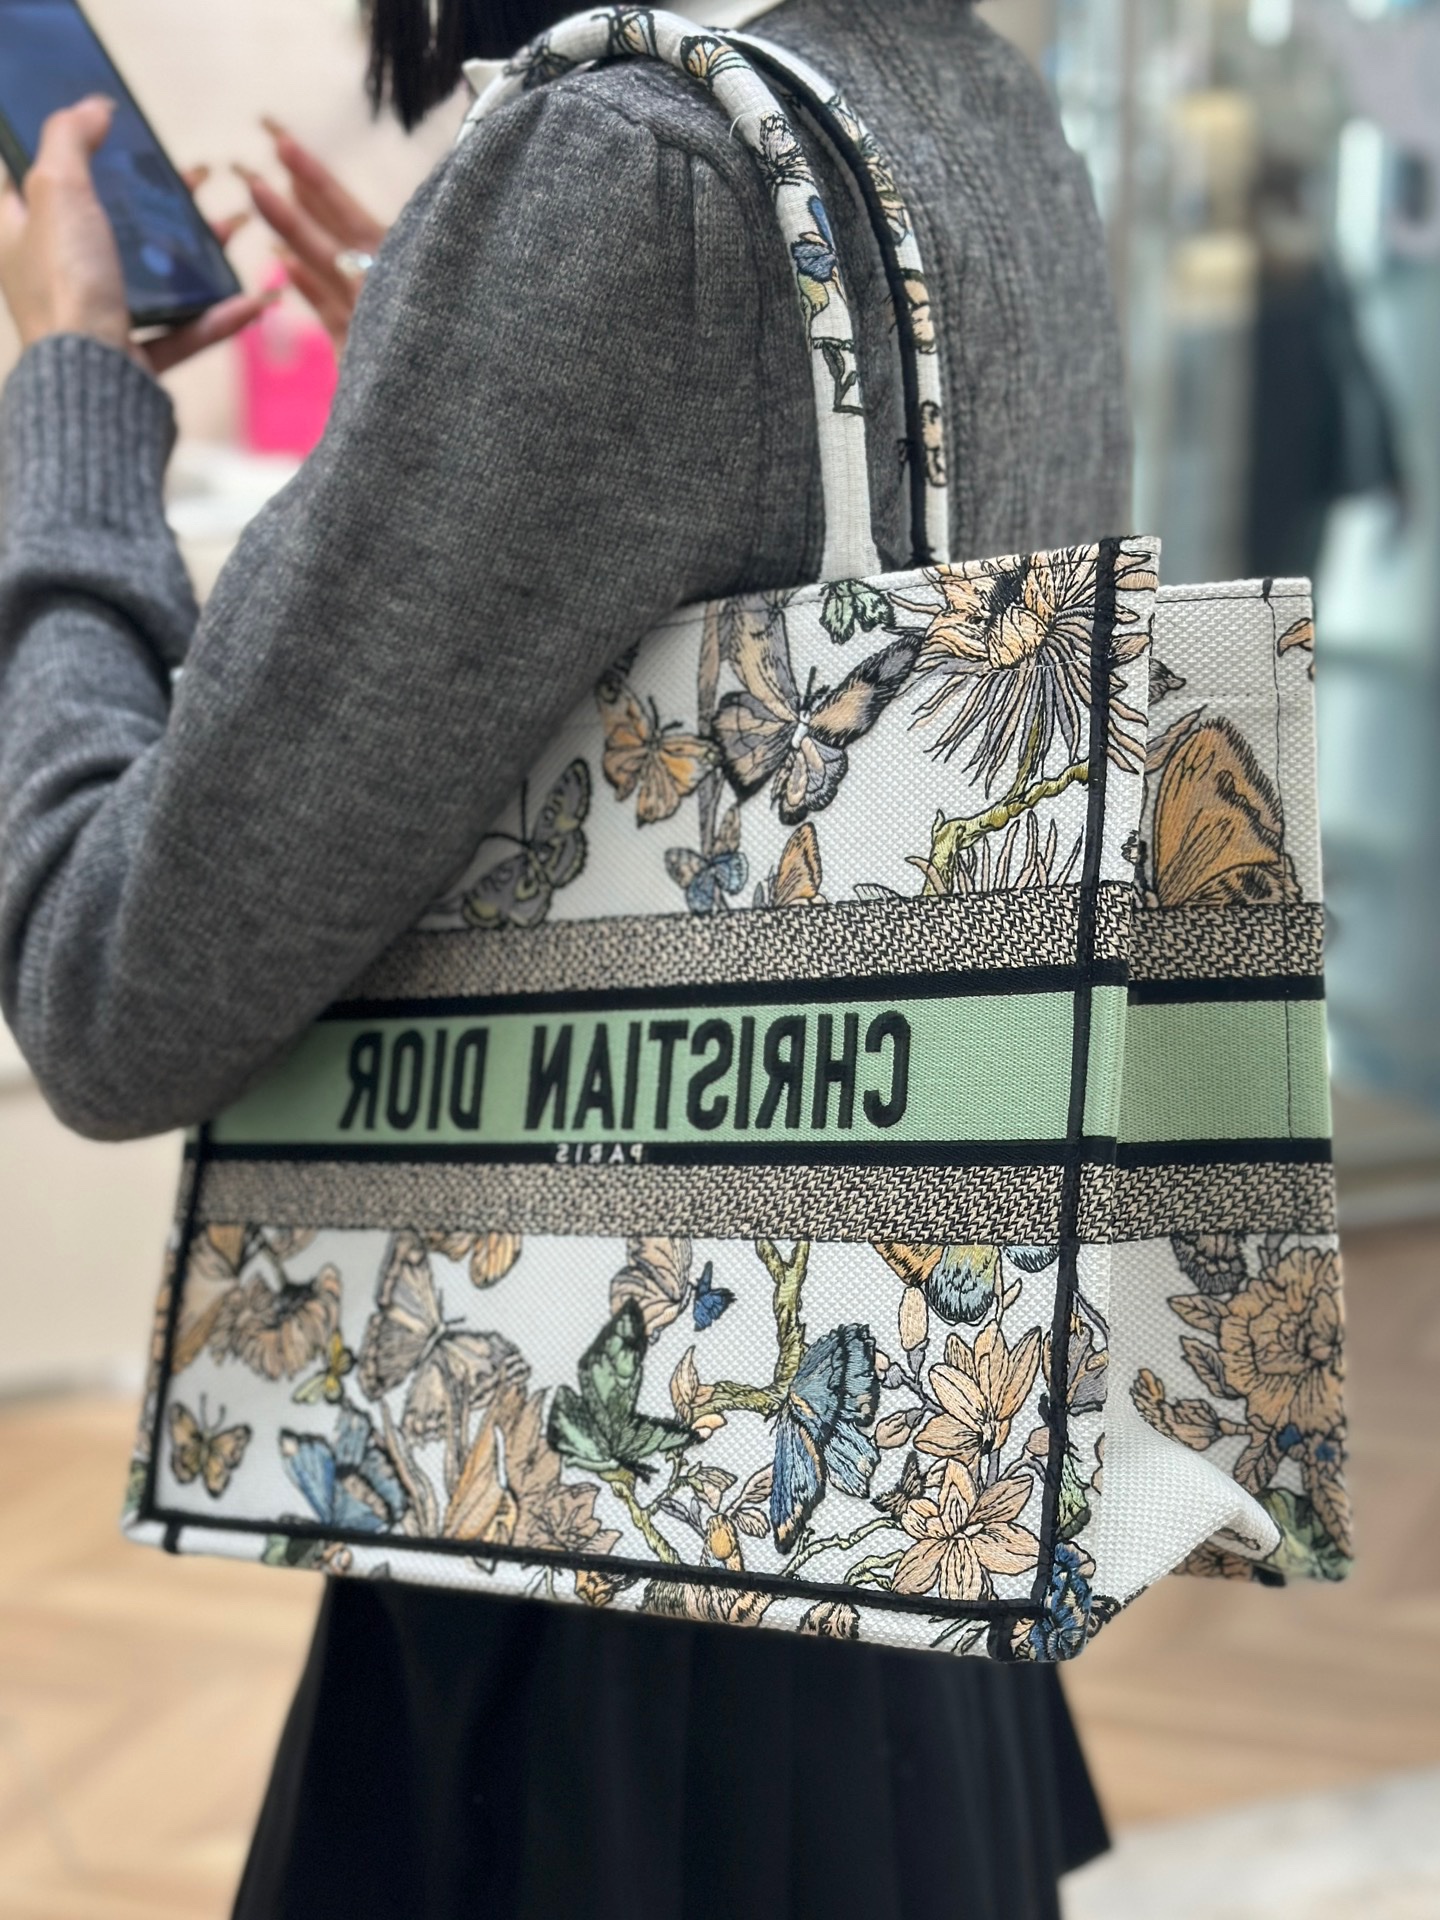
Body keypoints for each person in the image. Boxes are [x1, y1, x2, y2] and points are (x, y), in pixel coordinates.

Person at [0, 2, 1129, 1914]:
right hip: (890, 1505)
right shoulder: (970, 97)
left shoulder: (626, 170)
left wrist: (67, 414)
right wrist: (456, 415)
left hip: (597, 1610)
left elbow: (111, 987)